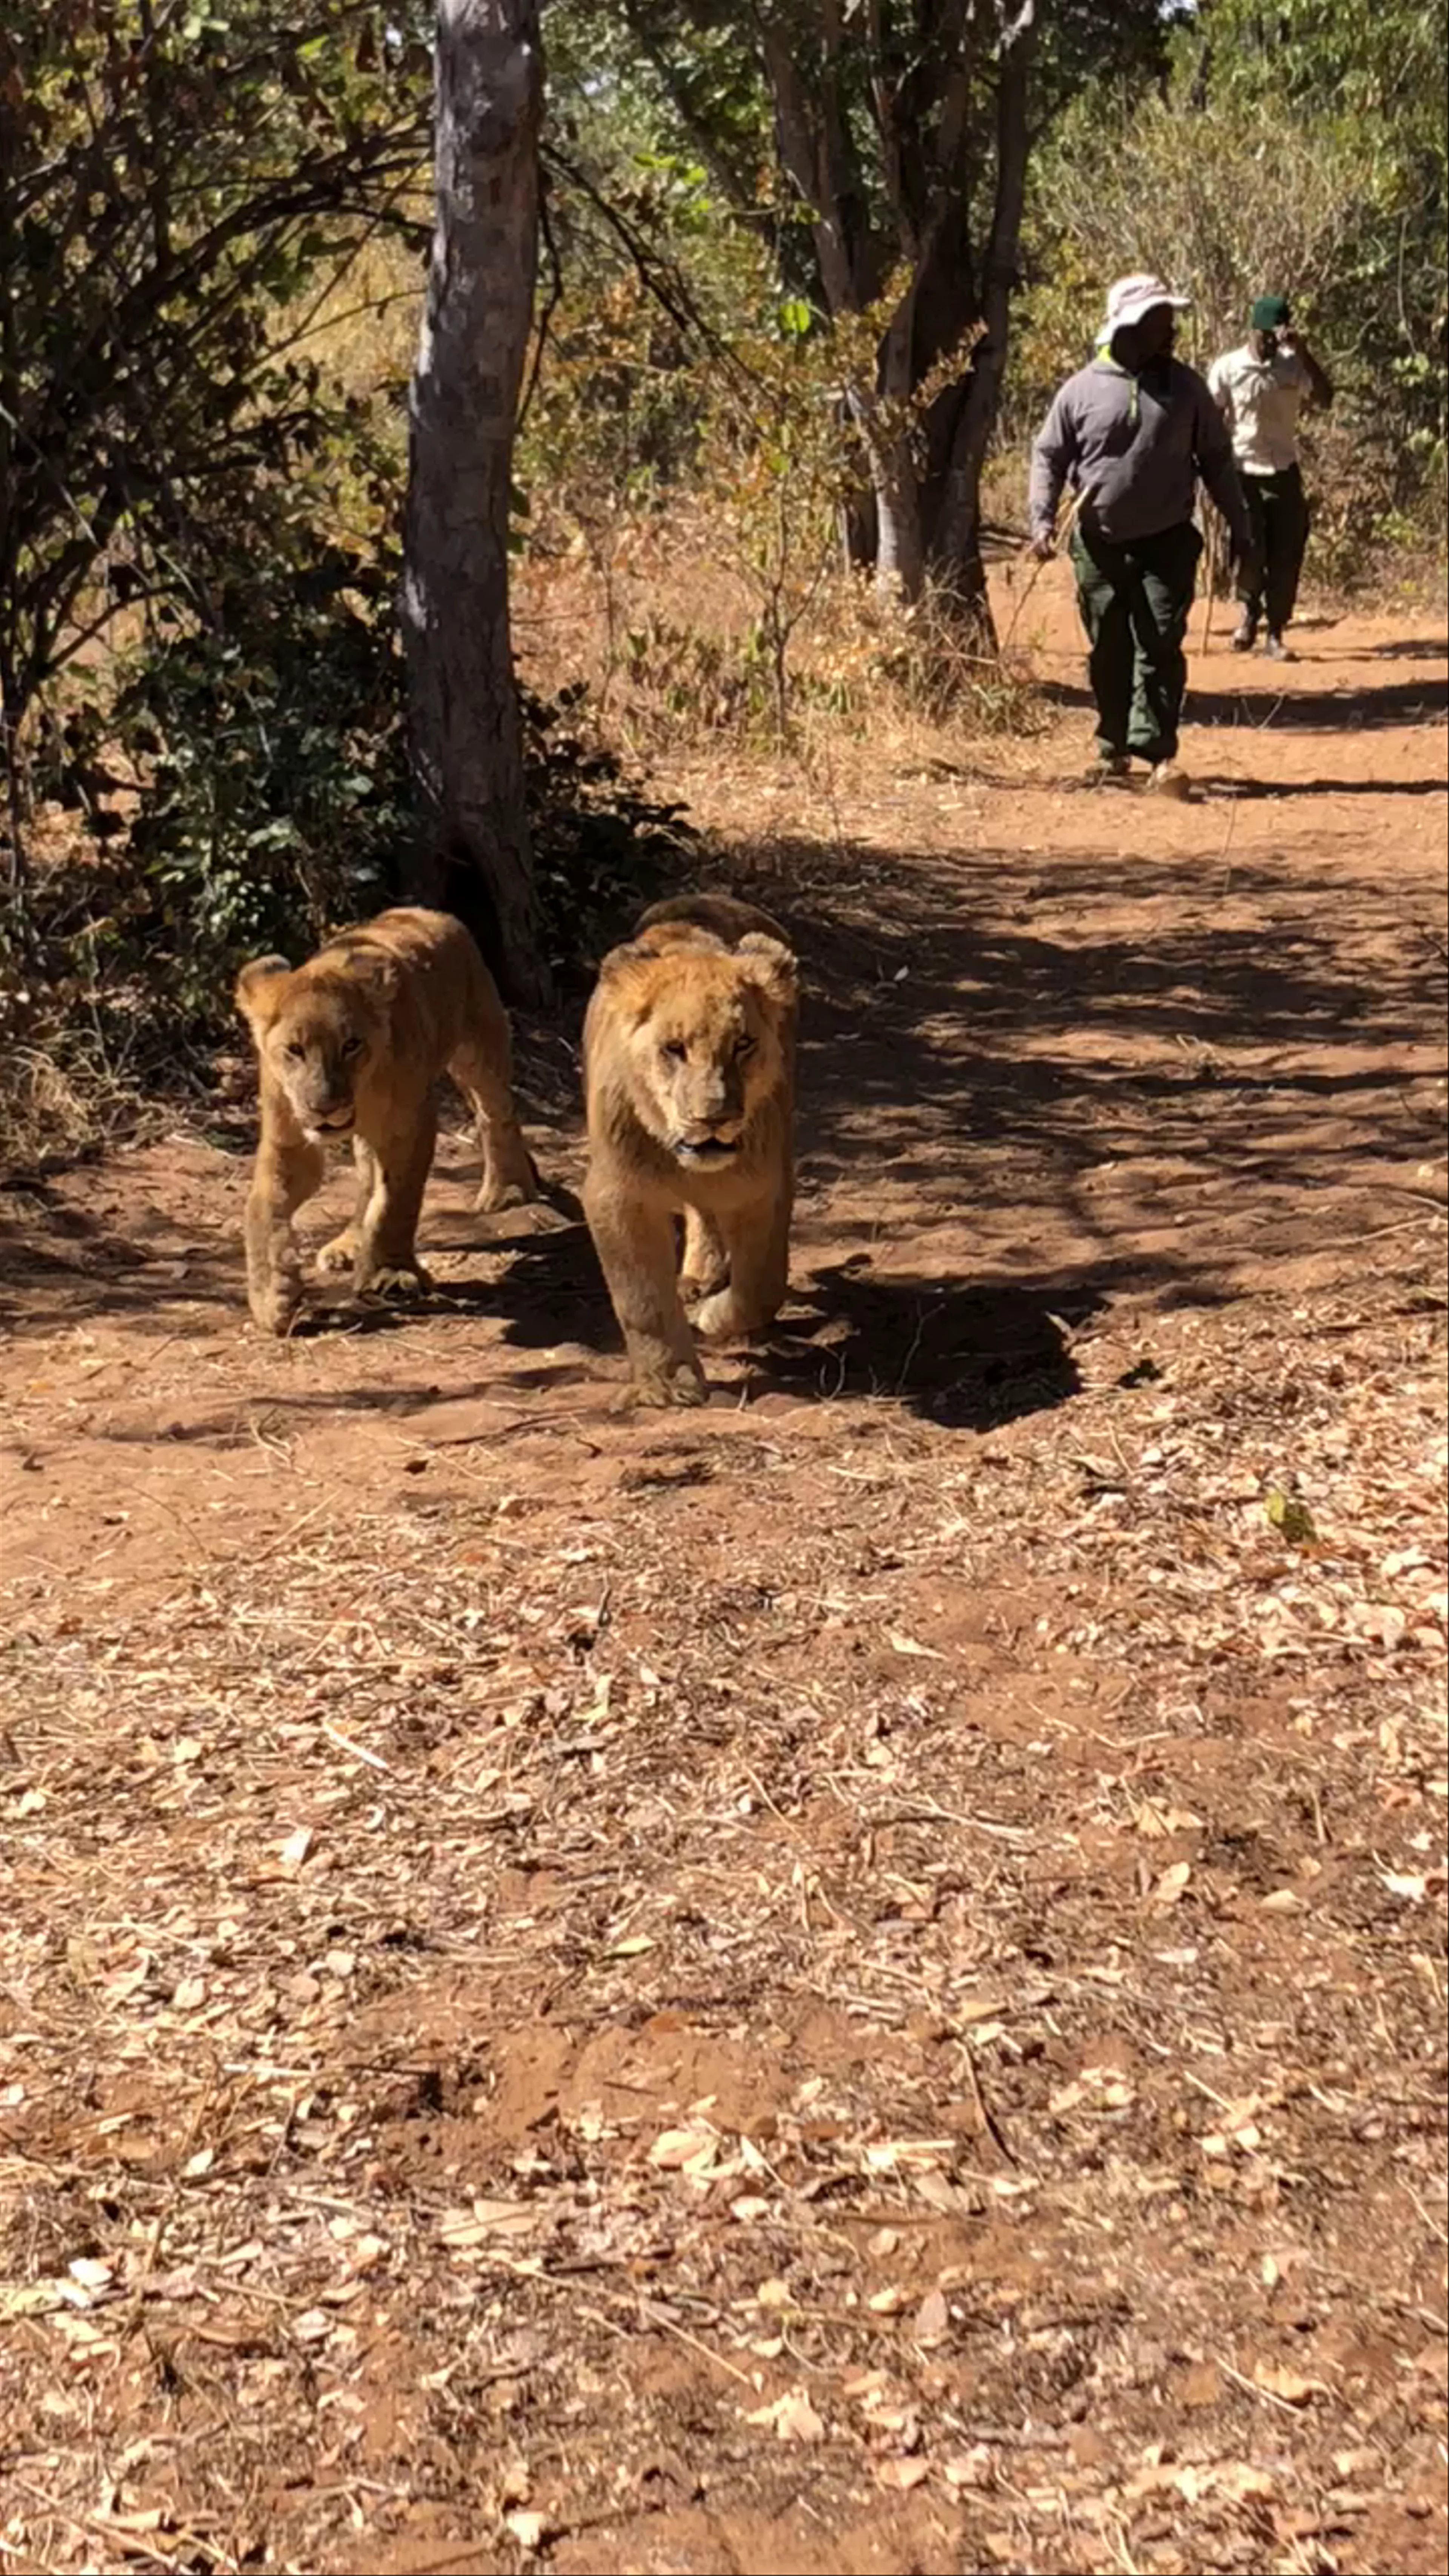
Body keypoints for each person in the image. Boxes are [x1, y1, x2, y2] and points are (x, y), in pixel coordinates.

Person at [1029, 272, 1257, 797]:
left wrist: (1240, 529)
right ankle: (1113, 747)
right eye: (1160, 320)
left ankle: (1158, 755)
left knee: (1159, 642)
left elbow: (1218, 461)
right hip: (1099, 545)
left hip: (1169, 540)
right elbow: (1049, 457)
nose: (1170, 329)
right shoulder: (1081, 391)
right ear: (1130, 325)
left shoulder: (1187, 389)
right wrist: (1042, 522)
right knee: (1109, 646)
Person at [1208, 294, 1333, 660]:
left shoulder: (1294, 367)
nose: (1270, 344)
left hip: (1283, 471)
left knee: (1286, 552)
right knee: (1248, 550)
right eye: (1265, 336)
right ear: (1252, 331)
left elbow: (1326, 397)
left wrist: (1305, 352)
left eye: (1277, 336)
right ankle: (1249, 615)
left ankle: (1276, 632)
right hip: (1243, 470)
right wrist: (1210, 464)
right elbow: (1213, 417)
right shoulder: (1228, 368)